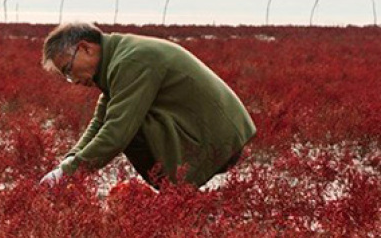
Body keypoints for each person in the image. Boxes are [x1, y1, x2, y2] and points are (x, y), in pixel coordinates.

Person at [39, 22, 256, 189]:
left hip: (219, 141)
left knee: (128, 129)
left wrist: (68, 172)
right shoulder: (118, 58)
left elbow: (115, 133)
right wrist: (67, 164)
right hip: (212, 135)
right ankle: (176, 198)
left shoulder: (130, 61)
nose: (73, 80)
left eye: (68, 70)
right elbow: (100, 121)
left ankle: (176, 197)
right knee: (123, 123)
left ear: (85, 48)